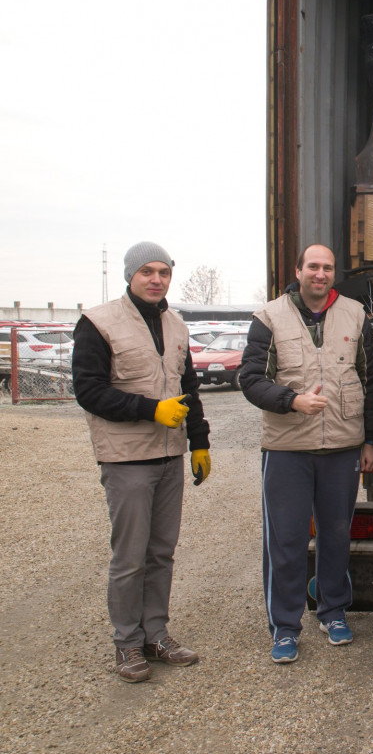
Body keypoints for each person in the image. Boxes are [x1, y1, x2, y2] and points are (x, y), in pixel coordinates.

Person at [72, 242, 211, 683]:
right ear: (130, 275)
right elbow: (89, 391)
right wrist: (150, 410)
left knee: (161, 553)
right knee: (130, 557)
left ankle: (156, 634)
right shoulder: (98, 323)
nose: (156, 279)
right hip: (127, 458)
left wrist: (200, 442)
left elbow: (188, 388)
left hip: (170, 455)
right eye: (147, 271)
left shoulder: (176, 325)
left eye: (163, 272)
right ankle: (127, 642)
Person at [239, 244, 373, 664]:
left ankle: (333, 612)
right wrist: (292, 401)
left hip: (342, 446)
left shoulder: (355, 315)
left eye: (328, 268)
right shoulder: (269, 317)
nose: (320, 274)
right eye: (313, 266)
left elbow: (370, 380)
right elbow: (250, 379)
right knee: (286, 540)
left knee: (336, 535)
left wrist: (369, 439)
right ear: (298, 270)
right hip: (287, 449)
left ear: (334, 274)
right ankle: (285, 627)